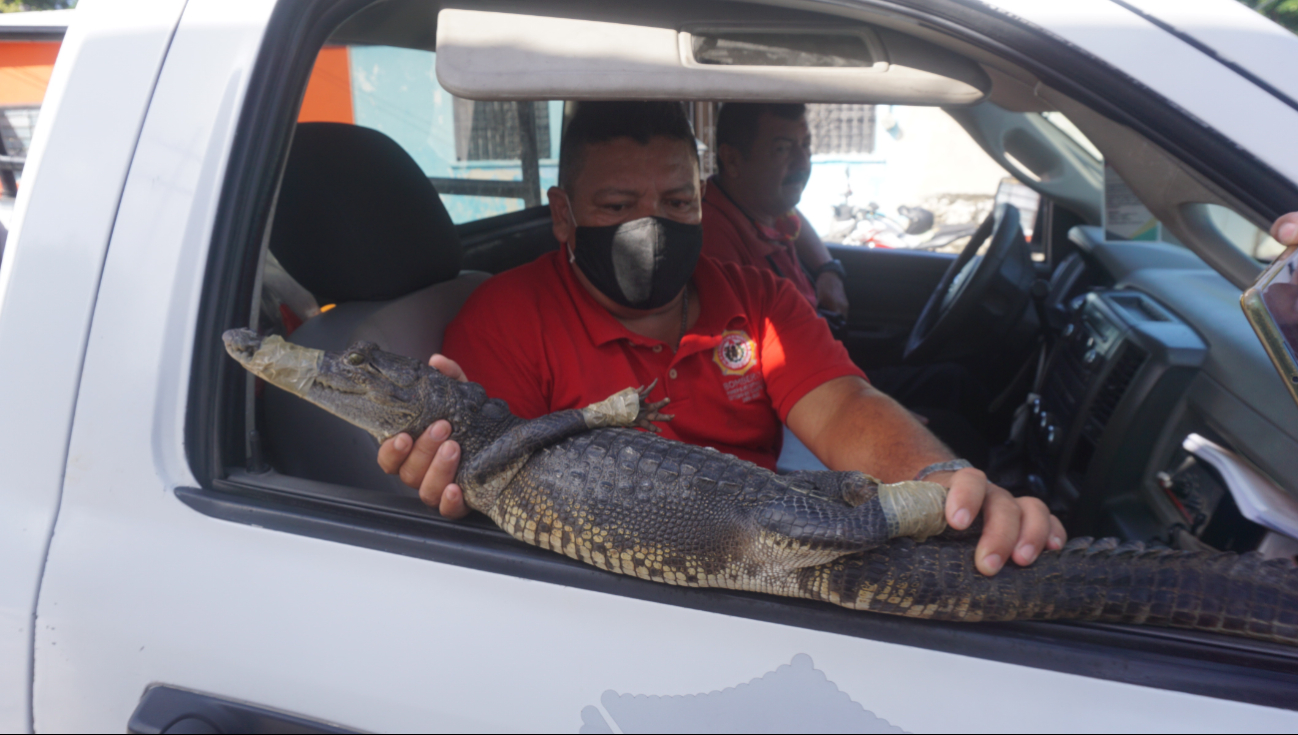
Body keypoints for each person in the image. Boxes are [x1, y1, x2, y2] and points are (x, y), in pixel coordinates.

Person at [379, 101, 1064, 577]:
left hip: (762, 558)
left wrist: (939, 481)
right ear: (564, 215)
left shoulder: (757, 299)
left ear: (702, 201)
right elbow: (496, 481)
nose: (652, 226)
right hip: (607, 580)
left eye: (677, 203)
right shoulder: (504, 319)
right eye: (617, 207)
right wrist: (446, 476)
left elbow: (846, 404)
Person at [702, 103, 848, 316]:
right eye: (782, 149)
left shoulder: (767, 206)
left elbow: (791, 214)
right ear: (732, 160)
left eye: (806, 145)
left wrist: (828, 269)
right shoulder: (714, 243)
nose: (803, 163)